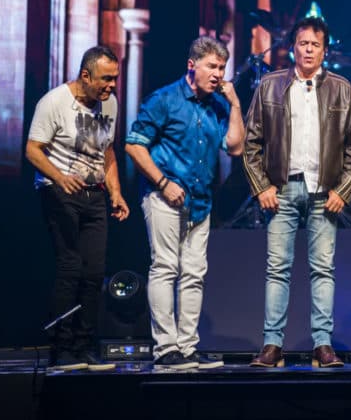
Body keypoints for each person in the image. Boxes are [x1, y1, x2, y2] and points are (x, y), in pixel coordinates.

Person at [243, 16, 351, 368]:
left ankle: (322, 345)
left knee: (322, 269)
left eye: (315, 44)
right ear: (292, 47)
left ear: (325, 50)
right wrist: (261, 186)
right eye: (303, 43)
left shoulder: (342, 88)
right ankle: (272, 345)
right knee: (277, 268)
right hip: (282, 189)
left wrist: (343, 189)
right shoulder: (270, 85)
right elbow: (251, 142)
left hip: (324, 191)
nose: (308, 50)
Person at [125, 36, 245, 370]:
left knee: (194, 274)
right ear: (192, 65)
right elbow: (135, 146)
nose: (218, 74)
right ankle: (166, 349)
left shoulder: (219, 105)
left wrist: (235, 104)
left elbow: (234, 147)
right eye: (212, 66)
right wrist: (163, 183)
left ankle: (187, 348)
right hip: (164, 197)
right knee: (165, 268)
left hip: (201, 201)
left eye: (222, 67)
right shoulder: (164, 99)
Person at [26, 46, 130, 372]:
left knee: (94, 271)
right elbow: (32, 149)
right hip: (59, 193)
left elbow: (107, 151)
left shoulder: (108, 104)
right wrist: (59, 177)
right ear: (85, 75)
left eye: (115, 78)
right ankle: (61, 348)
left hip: (94, 195)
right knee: (70, 267)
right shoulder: (54, 102)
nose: (111, 85)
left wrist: (116, 192)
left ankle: (84, 347)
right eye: (105, 79)